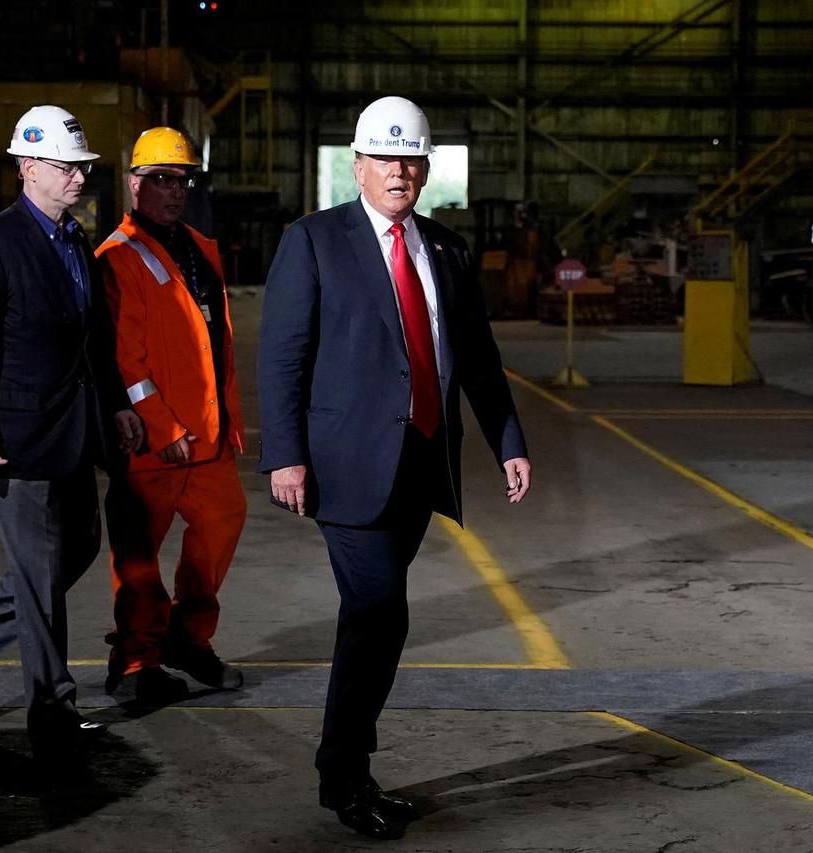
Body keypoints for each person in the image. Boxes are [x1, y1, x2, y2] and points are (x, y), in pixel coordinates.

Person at [258, 95, 531, 840]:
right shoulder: (313, 241)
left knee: (375, 618)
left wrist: (507, 437)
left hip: (420, 461)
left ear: (426, 166)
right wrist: (283, 453)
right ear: (358, 163)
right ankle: (344, 774)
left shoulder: (444, 248)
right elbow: (281, 357)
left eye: (411, 158)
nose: (399, 171)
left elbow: (475, 355)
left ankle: (347, 767)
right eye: (385, 157)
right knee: (380, 613)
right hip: (345, 467)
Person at [0, 105, 142, 763]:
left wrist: (113, 403)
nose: (78, 176)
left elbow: (93, 341)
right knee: (38, 575)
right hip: (13, 440)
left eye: (81, 166)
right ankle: (52, 711)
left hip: (71, 431)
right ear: (28, 168)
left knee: (74, 547)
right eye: (64, 166)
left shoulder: (74, 237)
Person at [94, 127, 247, 704]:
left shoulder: (200, 248)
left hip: (207, 436)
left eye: (181, 180)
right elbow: (123, 359)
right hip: (156, 440)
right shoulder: (118, 257)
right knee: (137, 555)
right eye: (160, 180)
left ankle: (187, 638)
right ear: (135, 185)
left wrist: (228, 418)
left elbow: (214, 342)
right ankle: (135, 662)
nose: (173, 191)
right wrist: (161, 426)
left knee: (222, 523)